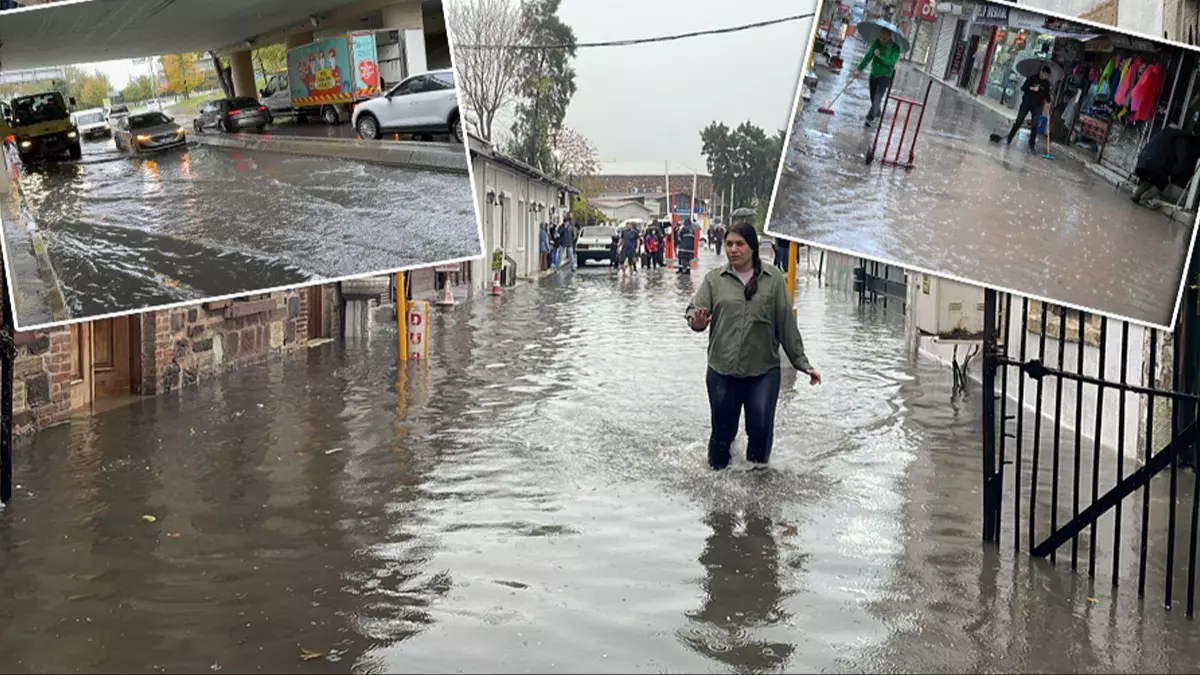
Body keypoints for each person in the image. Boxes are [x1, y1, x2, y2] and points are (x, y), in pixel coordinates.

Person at [685, 208, 822, 471]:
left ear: (752, 248)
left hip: (763, 372)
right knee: (722, 437)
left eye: (739, 244)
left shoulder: (773, 281)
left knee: (760, 430)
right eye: (729, 244)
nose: (733, 250)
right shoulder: (715, 280)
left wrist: (803, 364)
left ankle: (758, 490)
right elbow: (695, 312)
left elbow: (786, 325)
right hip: (722, 370)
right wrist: (698, 322)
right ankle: (717, 495)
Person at [852, 27, 902, 128]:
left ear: (889, 37)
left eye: (883, 38)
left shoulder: (895, 48)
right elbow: (868, 56)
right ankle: (878, 113)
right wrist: (859, 69)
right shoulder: (876, 43)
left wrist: (880, 57)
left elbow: (891, 63)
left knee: (877, 98)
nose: (881, 39)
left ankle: (870, 118)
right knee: (873, 98)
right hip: (874, 73)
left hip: (885, 76)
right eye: (880, 36)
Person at [1006, 65, 1053, 152]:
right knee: (1019, 121)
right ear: (1041, 72)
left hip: (1037, 106)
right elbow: (1023, 88)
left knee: (1035, 125)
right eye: (1044, 74)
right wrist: (1032, 88)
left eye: (1047, 75)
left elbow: (1046, 94)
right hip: (1027, 103)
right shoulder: (1032, 78)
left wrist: (1049, 102)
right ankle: (1010, 137)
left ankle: (1031, 146)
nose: (1045, 76)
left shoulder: (1046, 83)